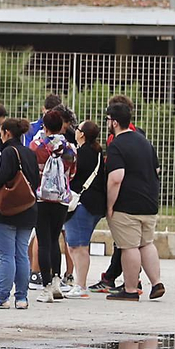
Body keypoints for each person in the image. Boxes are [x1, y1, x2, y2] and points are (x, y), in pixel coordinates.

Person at [104, 100, 164, 301]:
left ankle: (130, 289)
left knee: (128, 247)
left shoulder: (117, 145)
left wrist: (110, 206)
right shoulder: (144, 142)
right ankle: (156, 283)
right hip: (149, 204)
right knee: (146, 244)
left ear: (113, 122)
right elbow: (156, 170)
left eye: (108, 120)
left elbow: (116, 177)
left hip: (127, 206)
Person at [0, 118, 41, 310]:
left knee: (6, 255)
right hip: (27, 209)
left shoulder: (8, 153)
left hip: (6, 211)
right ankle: (22, 297)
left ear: (6, 133)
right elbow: (35, 180)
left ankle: (2, 295)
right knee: (21, 255)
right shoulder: (29, 153)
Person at [30, 109, 77, 303]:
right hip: (61, 199)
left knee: (43, 240)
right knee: (55, 238)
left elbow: (32, 170)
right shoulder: (70, 149)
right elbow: (72, 173)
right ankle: (57, 281)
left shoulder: (36, 146)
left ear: (45, 126)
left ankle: (46, 286)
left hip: (41, 198)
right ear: (62, 126)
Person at [63, 119, 105, 298]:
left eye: (78, 128)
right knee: (78, 245)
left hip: (81, 203)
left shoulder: (80, 154)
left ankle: (80, 285)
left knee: (77, 246)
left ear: (82, 134)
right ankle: (79, 284)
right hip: (94, 203)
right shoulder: (96, 152)